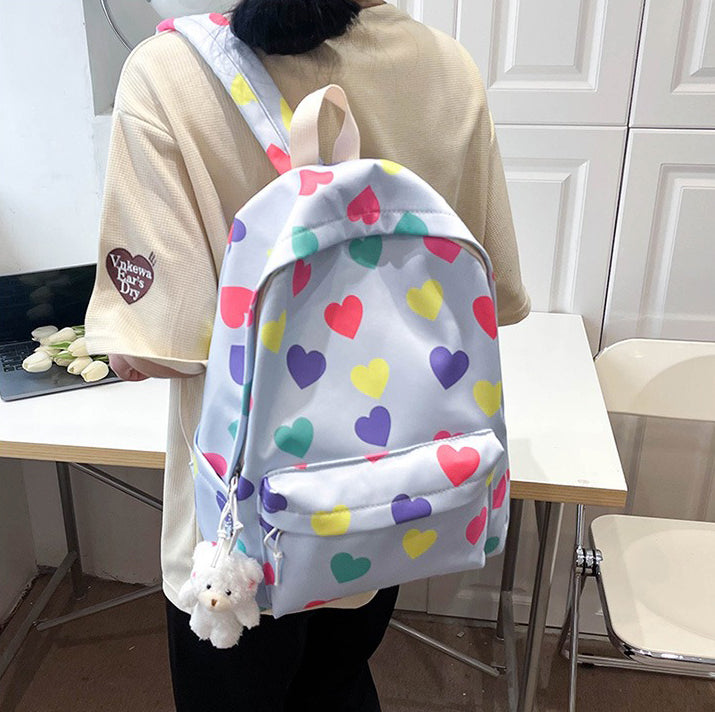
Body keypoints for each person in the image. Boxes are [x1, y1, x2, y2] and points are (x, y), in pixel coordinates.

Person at [85, 1, 530, 709]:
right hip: (388, 499)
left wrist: (122, 346)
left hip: (237, 546)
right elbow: (488, 300)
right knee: (338, 683)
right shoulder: (448, 69)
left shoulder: (167, 73)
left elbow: (165, 348)